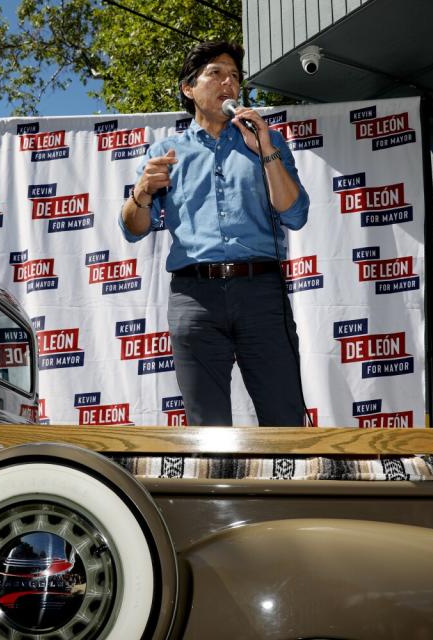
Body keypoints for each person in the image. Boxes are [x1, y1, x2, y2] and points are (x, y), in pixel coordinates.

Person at [120, 40, 310, 427]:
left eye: (235, 76)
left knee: (284, 419)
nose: (229, 83)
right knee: (206, 427)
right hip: (195, 298)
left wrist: (266, 151)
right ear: (188, 89)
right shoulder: (166, 151)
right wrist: (142, 191)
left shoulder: (266, 142)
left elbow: (295, 213)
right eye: (216, 73)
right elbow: (132, 229)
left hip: (261, 294)